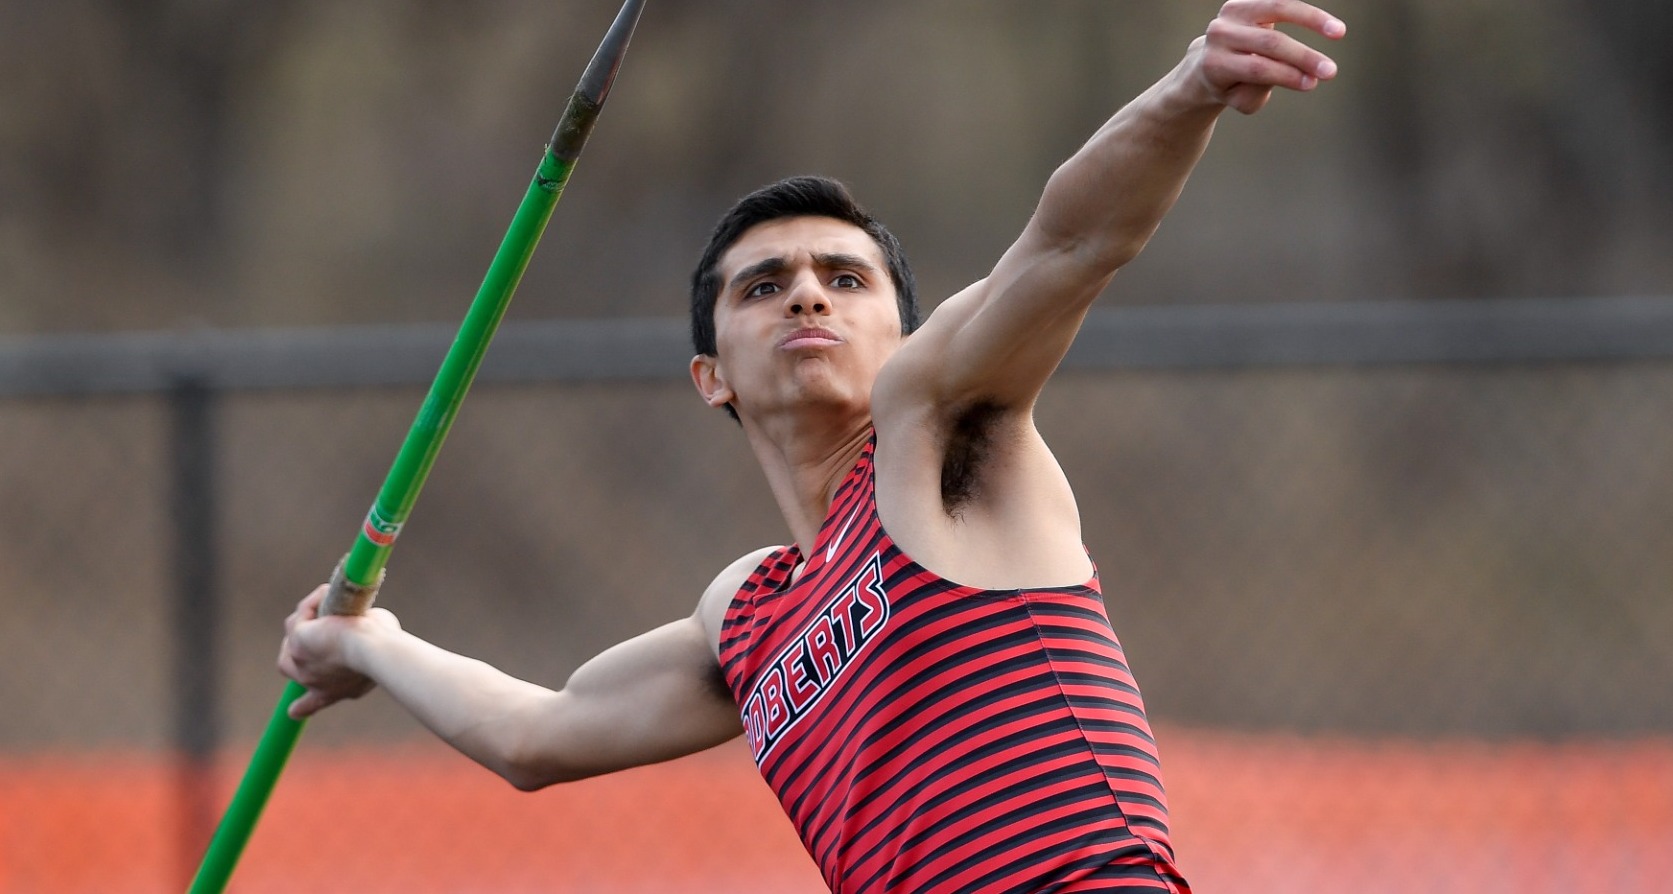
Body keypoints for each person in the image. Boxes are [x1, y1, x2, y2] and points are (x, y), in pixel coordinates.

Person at [279, 2, 1345, 890]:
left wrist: (1191, 87)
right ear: (712, 377)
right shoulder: (744, 615)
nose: (803, 292)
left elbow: (1069, 242)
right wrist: (366, 643)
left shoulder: (940, 434)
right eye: (761, 285)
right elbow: (537, 735)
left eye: (844, 279)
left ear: (901, 332)